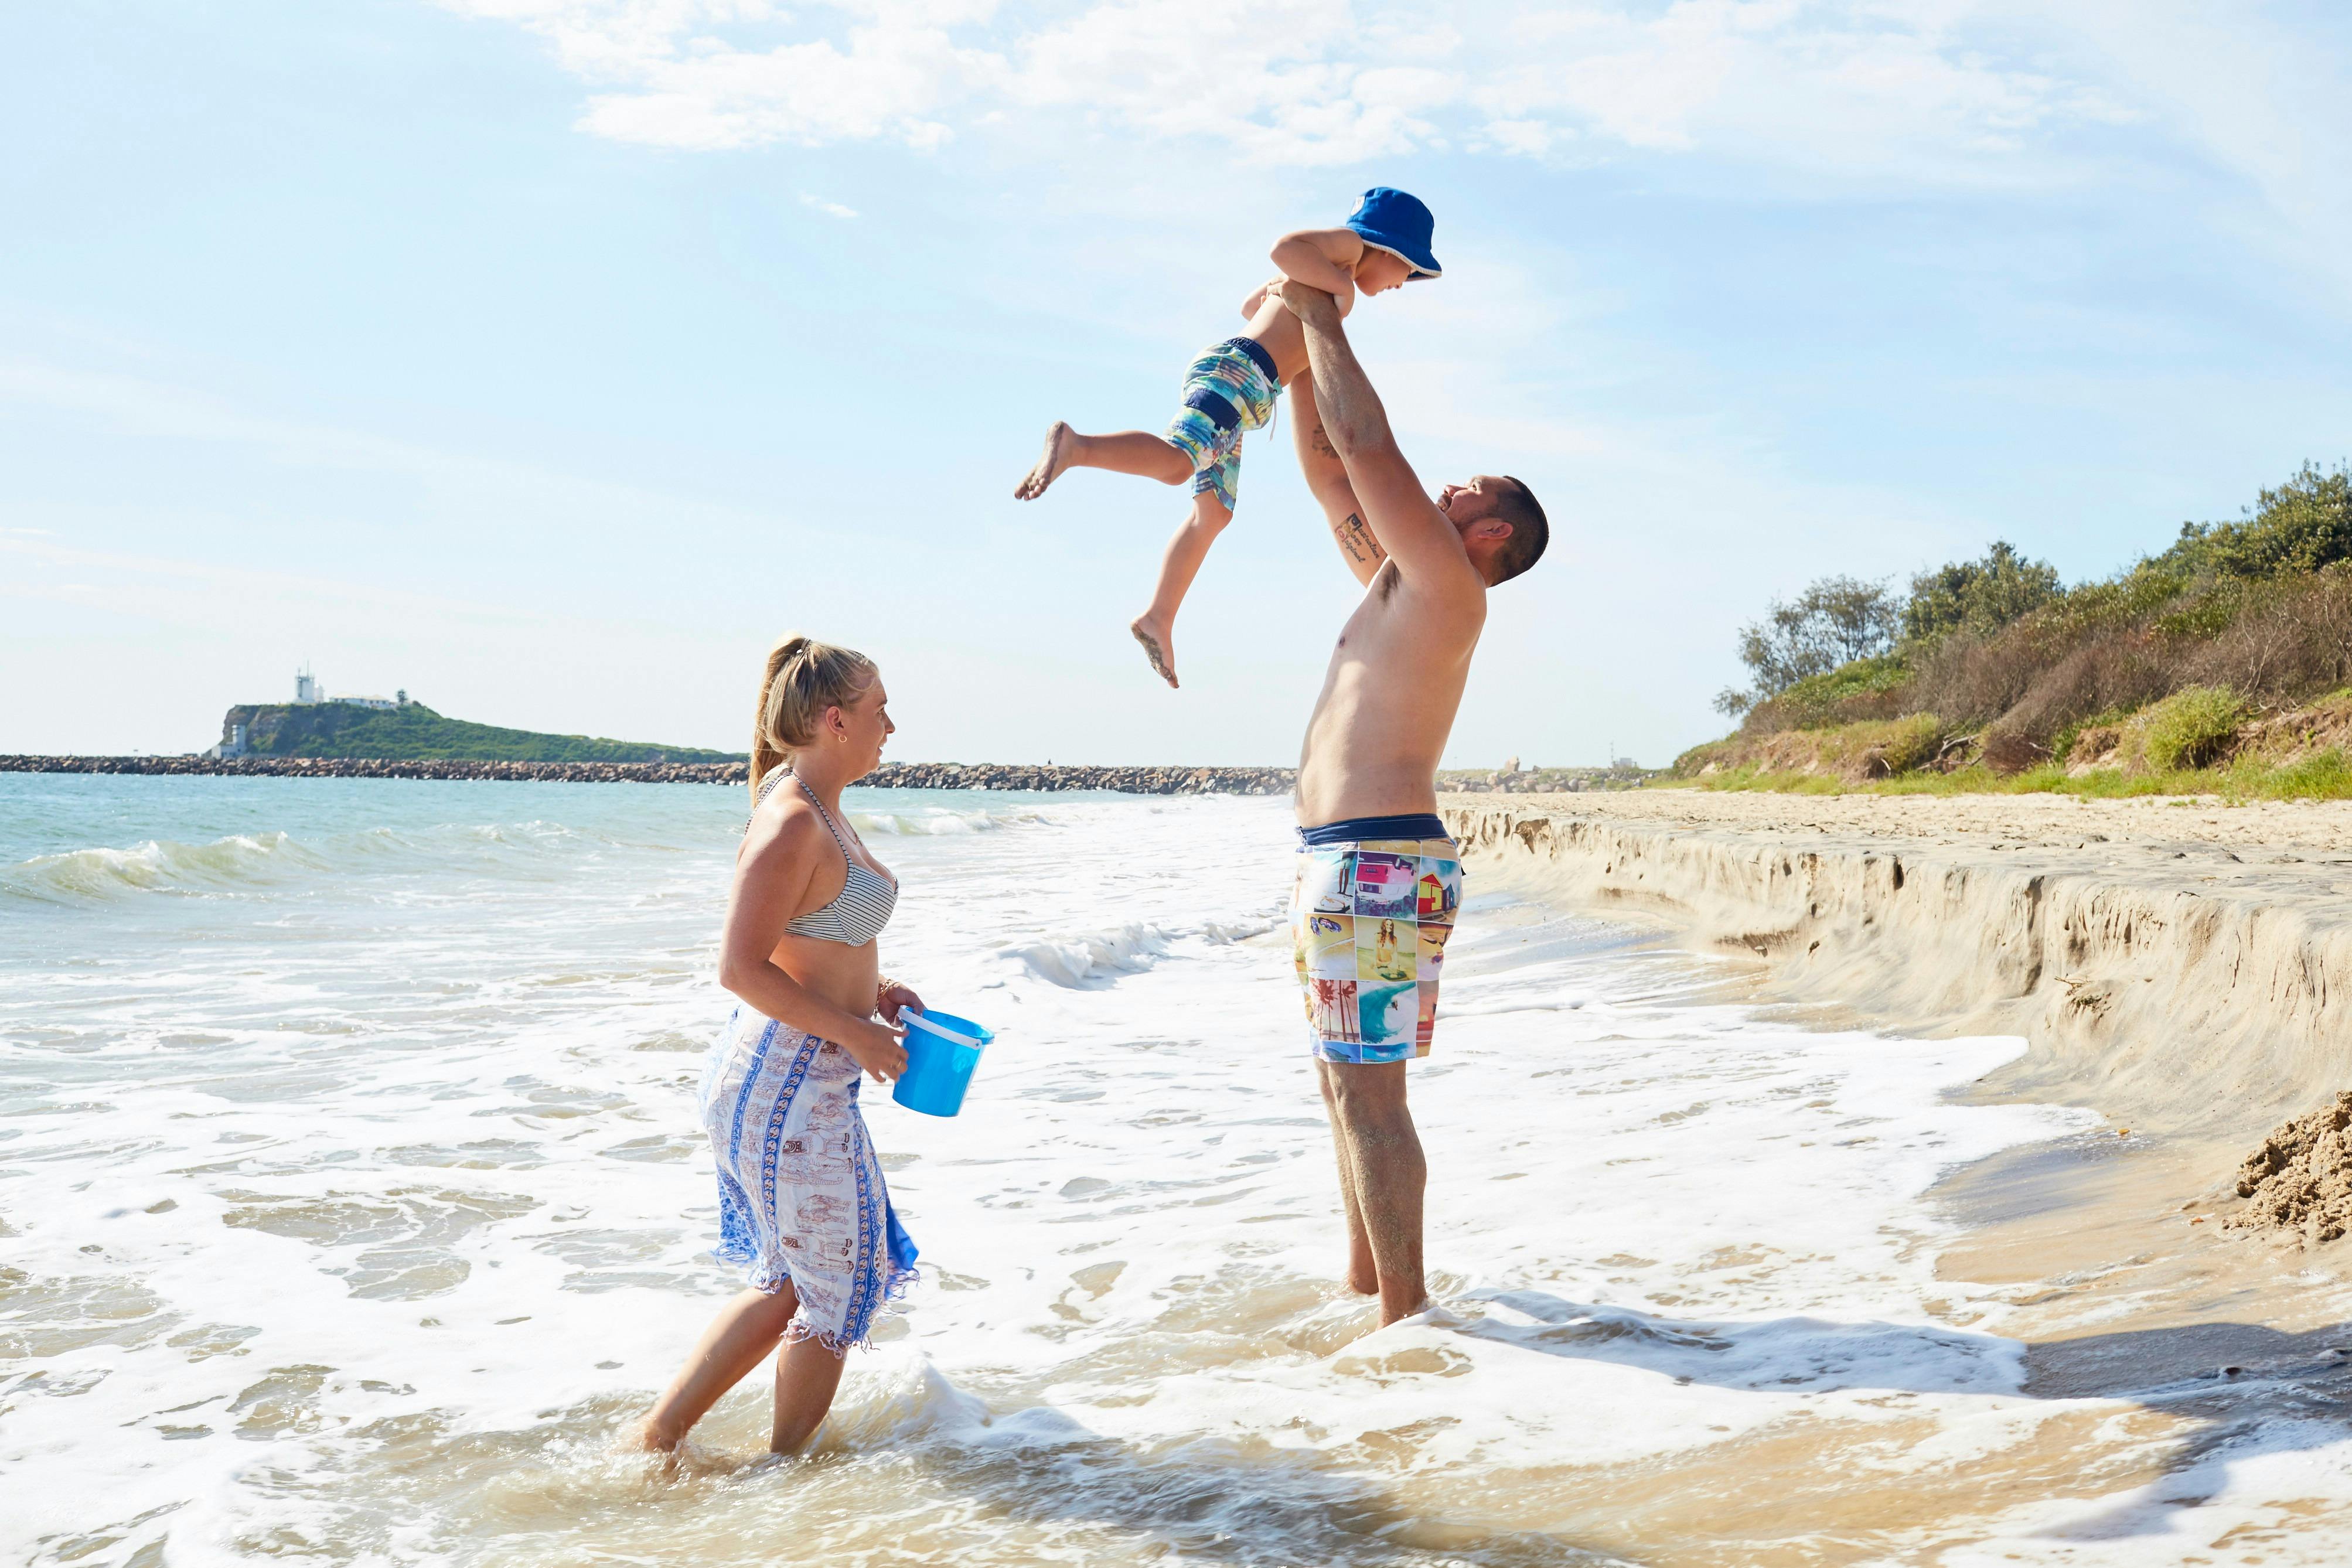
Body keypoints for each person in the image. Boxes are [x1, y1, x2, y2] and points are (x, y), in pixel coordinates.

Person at [1274, 275, 1550, 1326]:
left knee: (1368, 1096)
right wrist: (1291, 352)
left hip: (1375, 861)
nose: (1443, 489)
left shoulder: (1448, 584)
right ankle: (1367, 1292)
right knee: (1341, 1084)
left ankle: (1405, 1321)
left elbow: (1364, 443)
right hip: (1346, 860)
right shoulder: (1400, 576)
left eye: (1466, 491)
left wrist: (1322, 312)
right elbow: (1325, 465)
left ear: (1491, 532)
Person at [637, 635, 925, 1455]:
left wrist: (874, 991)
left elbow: (808, 941)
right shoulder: (793, 819)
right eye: (879, 711)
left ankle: (657, 1445)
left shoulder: (814, 806)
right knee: (832, 1292)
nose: (891, 727)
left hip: (795, 1082)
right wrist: (855, 1031)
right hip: (789, 1086)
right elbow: (739, 968)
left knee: (795, 1282)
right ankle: (783, 1477)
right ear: (835, 720)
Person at [1013, 188, 1444, 690]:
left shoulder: (1332, 274)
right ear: (1388, 248)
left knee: (1213, 513)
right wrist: (1335, 287)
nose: (1403, 284)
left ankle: (1158, 617)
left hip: (1245, 394)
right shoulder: (1347, 252)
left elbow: (1249, 305)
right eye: (1408, 270)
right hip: (1238, 375)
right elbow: (1284, 248)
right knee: (1178, 463)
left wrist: (1297, 294)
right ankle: (1077, 445)